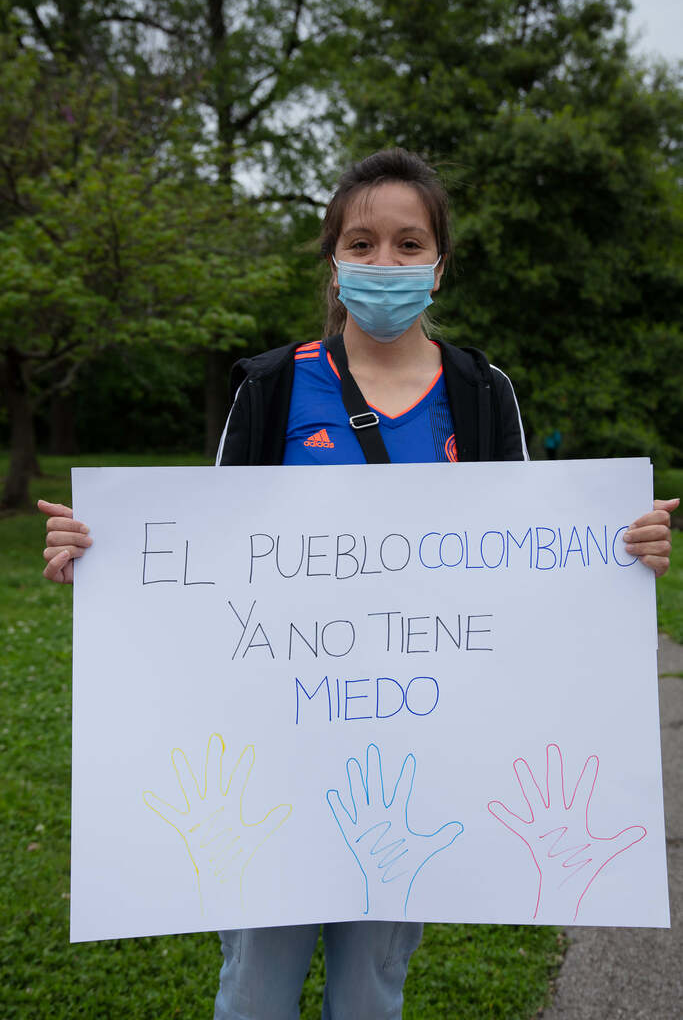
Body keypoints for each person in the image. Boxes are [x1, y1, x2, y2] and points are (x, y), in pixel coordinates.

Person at [38, 148, 678, 1019]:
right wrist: (103, 555)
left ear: (439, 266)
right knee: (253, 991)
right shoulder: (270, 388)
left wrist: (620, 551)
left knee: (372, 990)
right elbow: (201, 560)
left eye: (409, 244)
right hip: (275, 740)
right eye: (362, 242)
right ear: (334, 261)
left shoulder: (482, 392)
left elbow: (528, 562)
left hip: (414, 760)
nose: (385, 262)